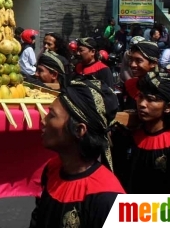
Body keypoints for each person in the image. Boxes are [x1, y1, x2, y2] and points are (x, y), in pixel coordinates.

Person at [29, 78, 124, 228]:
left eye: (52, 115)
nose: (43, 120)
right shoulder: (52, 169)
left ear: (79, 130)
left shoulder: (107, 197)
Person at [112, 71, 170, 193]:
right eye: (140, 97)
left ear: (168, 107)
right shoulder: (129, 134)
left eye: (151, 99)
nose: (142, 104)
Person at [123, 40, 160, 109]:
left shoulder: (163, 87)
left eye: (139, 60)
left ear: (153, 63)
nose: (132, 65)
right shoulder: (130, 85)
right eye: (131, 60)